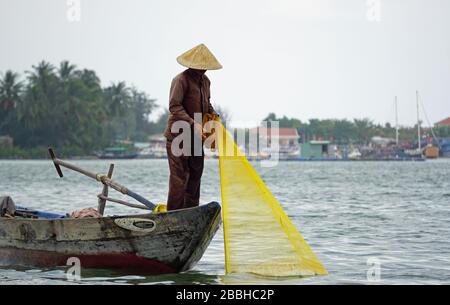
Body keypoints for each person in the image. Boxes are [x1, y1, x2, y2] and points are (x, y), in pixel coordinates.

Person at [163, 44, 222, 211]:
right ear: (192, 65)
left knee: (196, 175)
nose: (203, 71)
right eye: (200, 68)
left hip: (197, 138)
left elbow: (207, 104)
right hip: (178, 136)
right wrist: (192, 123)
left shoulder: (206, 82)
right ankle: (173, 214)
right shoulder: (180, 80)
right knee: (179, 178)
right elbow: (174, 106)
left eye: (205, 68)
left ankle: (191, 213)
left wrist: (214, 116)